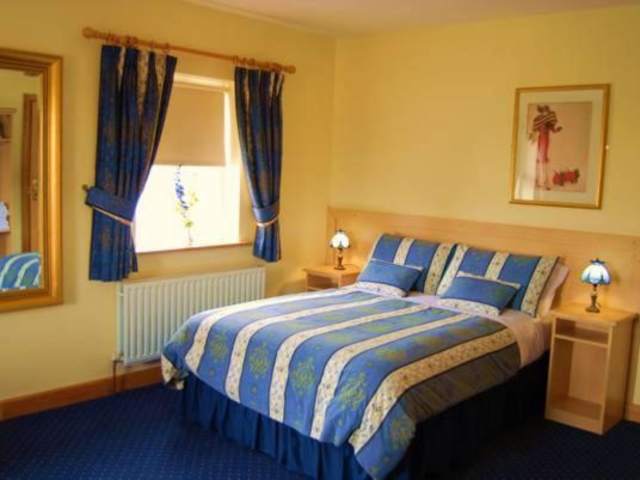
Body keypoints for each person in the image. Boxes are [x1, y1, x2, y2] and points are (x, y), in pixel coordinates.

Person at [530, 105, 562, 190]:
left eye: (546, 111)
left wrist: (557, 129)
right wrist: (532, 138)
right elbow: (535, 131)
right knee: (541, 161)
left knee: (543, 161)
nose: (545, 113)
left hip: (545, 141)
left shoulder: (548, 122)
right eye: (543, 111)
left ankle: (545, 182)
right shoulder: (539, 121)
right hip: (541, 141)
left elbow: (553, 129)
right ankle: (542, 181)